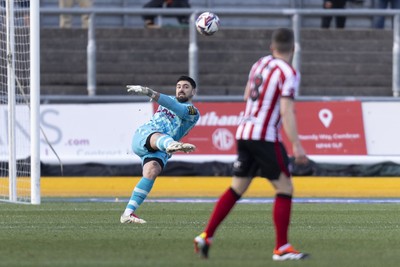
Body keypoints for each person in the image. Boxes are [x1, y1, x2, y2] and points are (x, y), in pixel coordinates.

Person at [194, 28, 310, 261]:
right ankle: (281, 248)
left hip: (244, 131)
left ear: (271, 47)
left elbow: (248, 94)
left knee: (237, 187)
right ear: (294, 48)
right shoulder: (288, 72)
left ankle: (206, 236)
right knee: (285, 188)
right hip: (264, 136)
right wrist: (297, 145)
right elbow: (287, 110)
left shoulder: (259, 64)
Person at [120, 76, 200, 224]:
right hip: (146, 135)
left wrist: (151, 93)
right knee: (160, 136)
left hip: (160, 150)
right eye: (178, 86)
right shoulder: (167, 99)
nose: (181, 89)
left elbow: (177, 108)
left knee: (152, 171)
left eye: (186, 87)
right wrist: (152, 94)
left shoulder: (193, 111)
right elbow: (169, 102)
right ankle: (170, 144)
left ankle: (128, 213)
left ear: (193, 91)